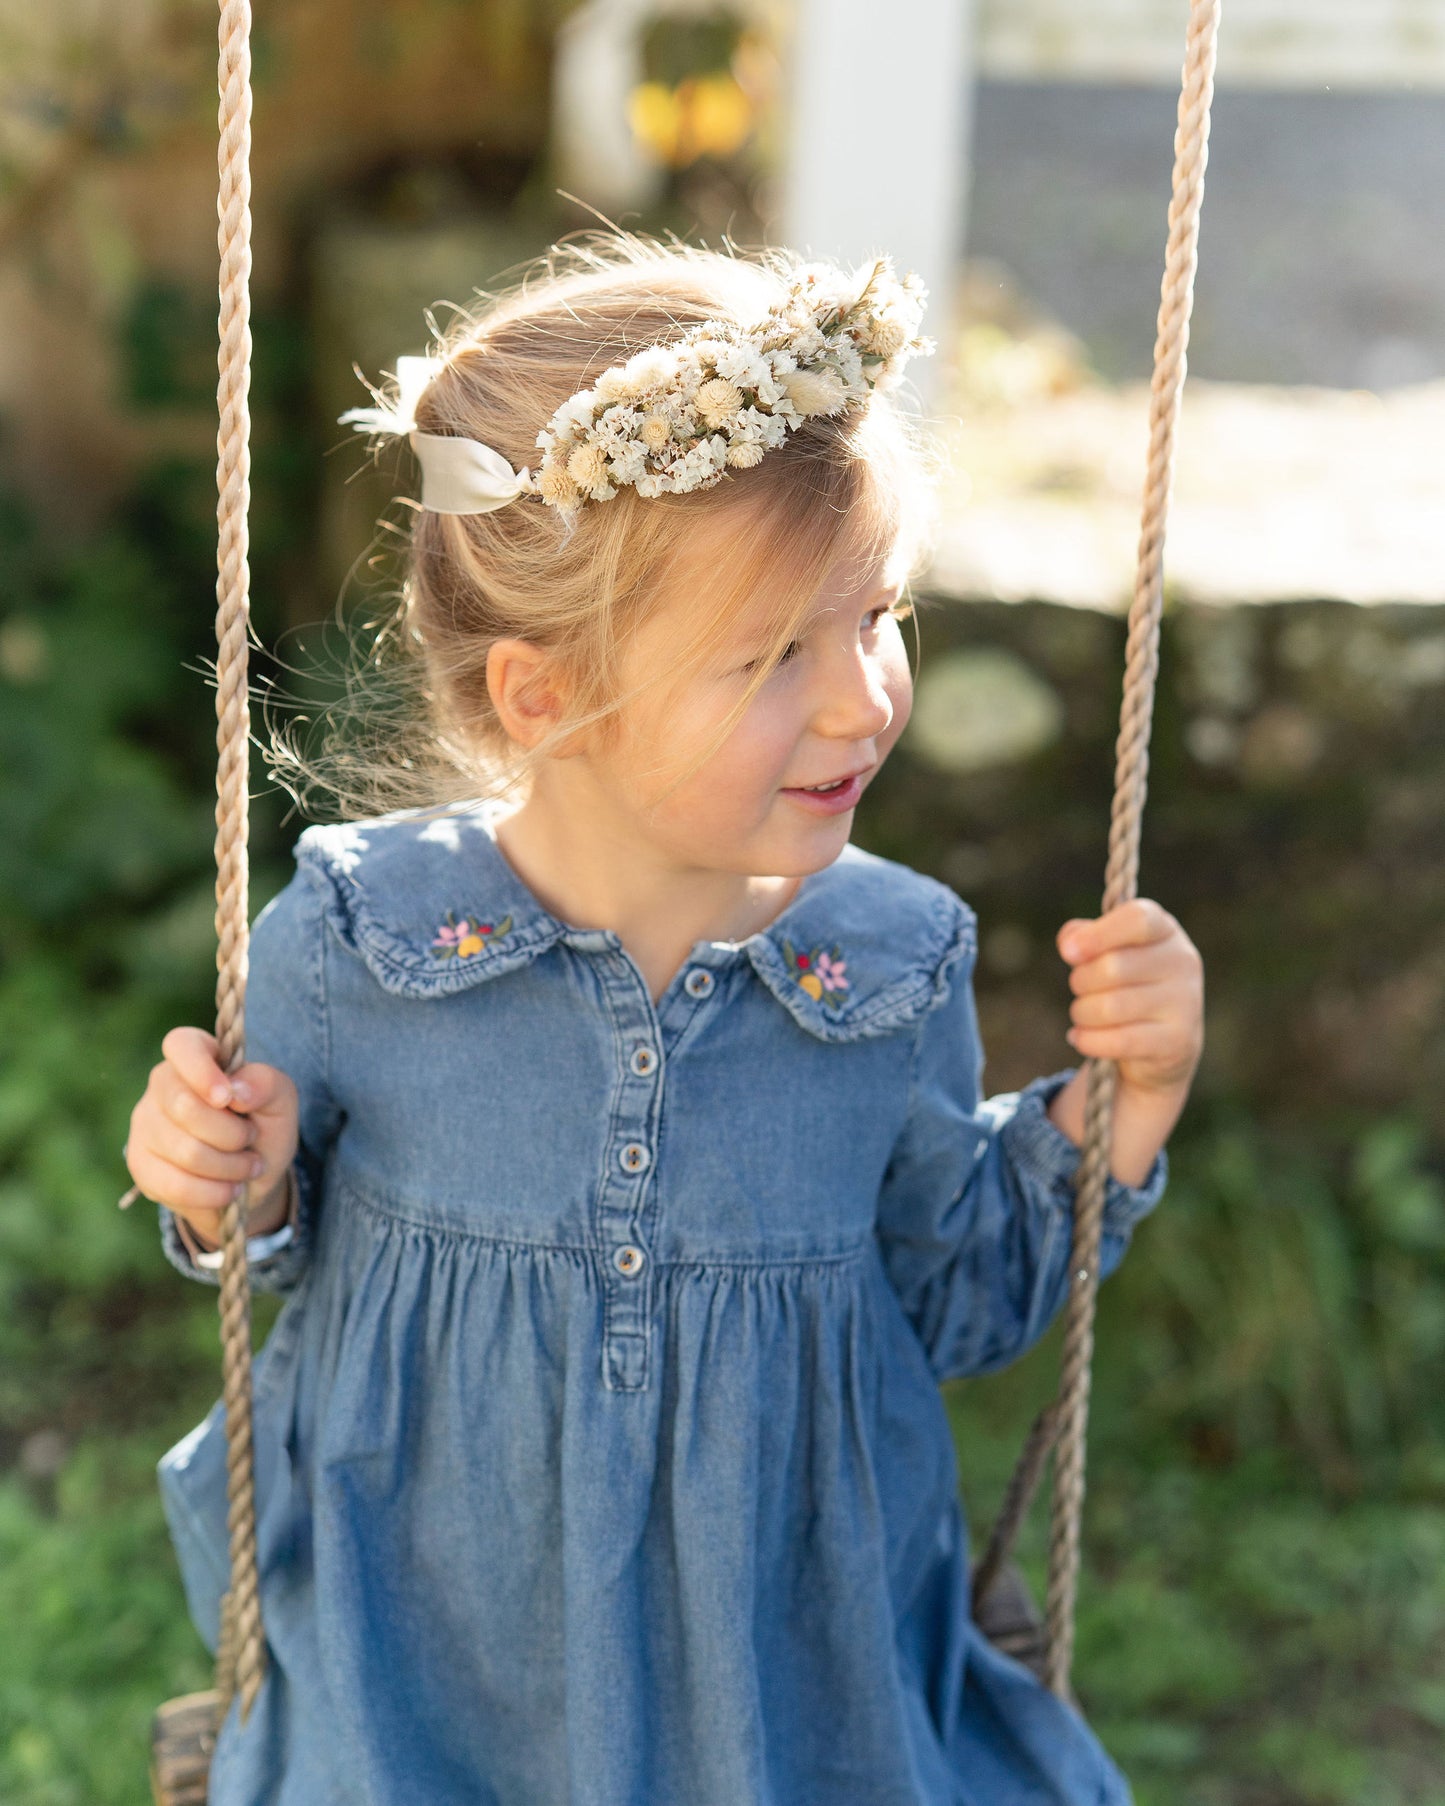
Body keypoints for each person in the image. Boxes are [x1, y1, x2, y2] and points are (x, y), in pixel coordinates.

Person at [124, 233, 1204, 1804]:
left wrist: (1130, 1096)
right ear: (540, 697)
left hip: (784, 1687)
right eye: (772, 654)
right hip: (438, 1681)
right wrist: (237, 1174)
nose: (858, 697)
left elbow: (953, 1295)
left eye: (878, 613)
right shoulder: (364, 940)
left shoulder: (889, 964)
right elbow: (270, 1255)